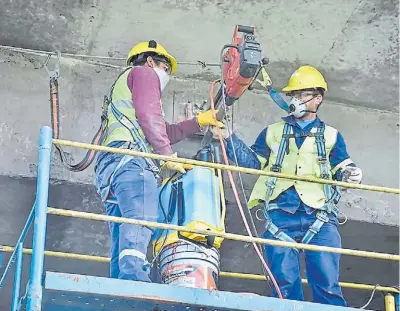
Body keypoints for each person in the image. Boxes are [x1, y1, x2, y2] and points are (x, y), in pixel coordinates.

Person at [221, 65, 362, 306]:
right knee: (283, 287)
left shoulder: (331, 136)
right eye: (293, 95)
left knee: (327, 285)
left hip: (319, 217)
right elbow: (253, 163)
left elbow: (342, 168)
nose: (295, 100)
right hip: (280, 216)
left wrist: (350, 174)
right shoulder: (272, 132)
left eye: (301, 94)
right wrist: (228, 137)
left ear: (317, 99)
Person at [94, 40, 223, 282]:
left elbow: (163, 131)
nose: (165, 75)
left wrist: (199, 121)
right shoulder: (143, 73)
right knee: (142, 219)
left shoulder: (125, 87)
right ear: (151, 60)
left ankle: (119, 283)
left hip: (111, 167)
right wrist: (165, 156)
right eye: (165, 68)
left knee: (123, 229)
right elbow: (150, 117)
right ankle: (133, 279)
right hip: (132, 162)